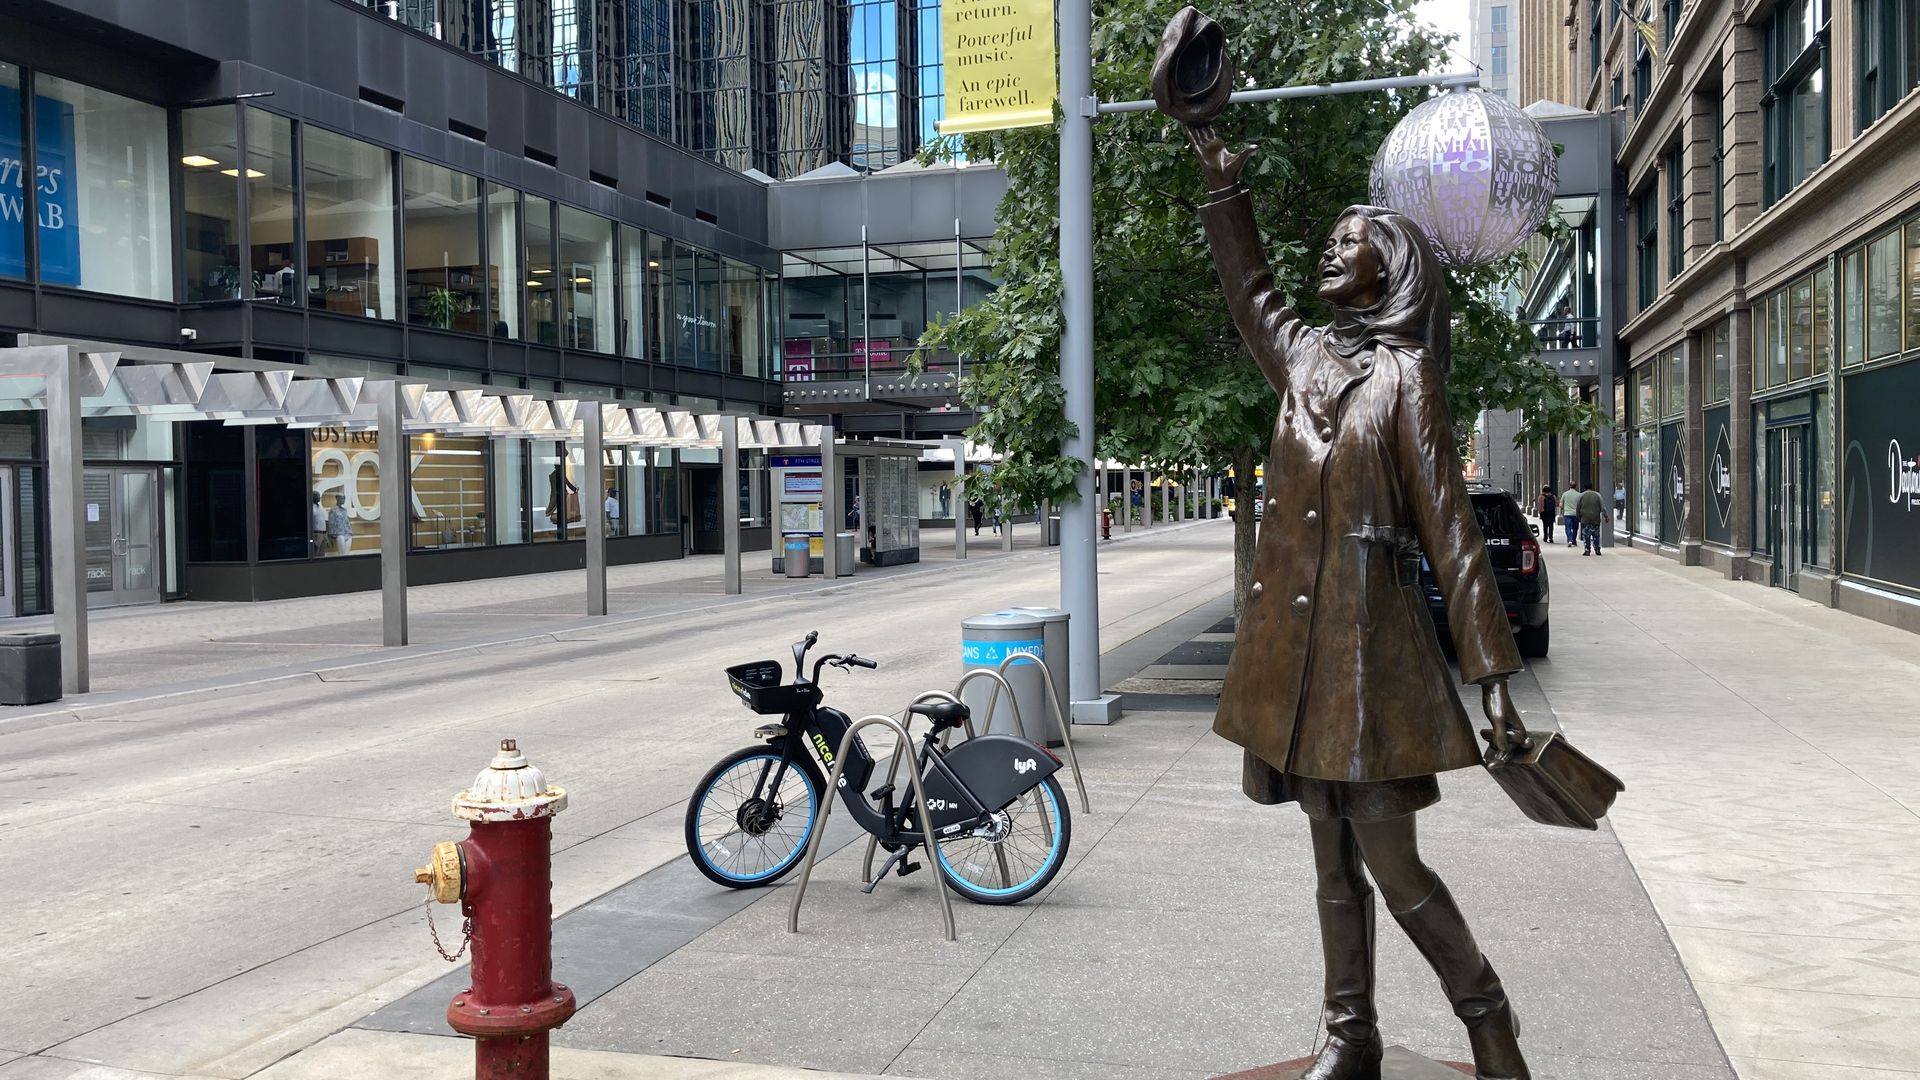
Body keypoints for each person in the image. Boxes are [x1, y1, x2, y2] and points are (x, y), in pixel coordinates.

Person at [1178, 123, 1533, 1077]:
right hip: (1297, 660)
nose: (1330, 252)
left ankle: (1487, 1018)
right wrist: (1222, 189)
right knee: (1328, 857)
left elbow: (1451, 526)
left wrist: (1493, 670)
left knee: (1393, 864)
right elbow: (1250, 291)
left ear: (1394, 264)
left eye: (1348, 241)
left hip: (1373, 658)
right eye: (1328, 243)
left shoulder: (1408, 378)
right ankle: (1350, 1033)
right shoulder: (1299, 360)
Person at [1578, 482, 1607, 555]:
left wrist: (1579, 518)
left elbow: (1578, 507)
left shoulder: (1581, 495)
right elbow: (1603, 507)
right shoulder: (1598, 495)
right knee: (1596, 535)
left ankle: (1587, 549)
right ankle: (1597, 549)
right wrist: (1605, 516)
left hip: (1585, 518)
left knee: (1586, 535)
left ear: (1585, 487)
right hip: (1595, 518)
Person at [1559, 482, 1581, 549]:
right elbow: (1580, 505)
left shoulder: (1565, 494)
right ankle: (1574, 540)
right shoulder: (1579, 495)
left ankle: (1569, 540)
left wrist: (1562, 509)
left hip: (1567, 513)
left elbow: (1561, 505)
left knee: (1568, 528)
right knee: (1575, 528)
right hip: (1575, 514)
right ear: (1576, 486)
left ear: (1569, 486)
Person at [310, 491, 328, 556]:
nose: (318, 497)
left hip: (324, 534)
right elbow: (310, 523)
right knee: (315, 554)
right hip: (316, 534)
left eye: (319, 495)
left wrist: (326, 535)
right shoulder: (310, 508)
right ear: (312, 497)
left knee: (322, 554)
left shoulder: (321, 508)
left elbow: (326, 521)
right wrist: (312, 538)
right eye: (316, 495)